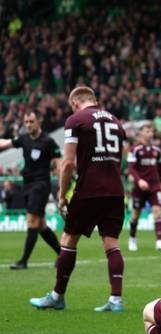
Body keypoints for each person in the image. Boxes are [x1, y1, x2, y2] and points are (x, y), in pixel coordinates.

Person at [29, 86, 127, 313]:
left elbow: (68, 162)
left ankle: (57, 296)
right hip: (115, 189)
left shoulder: (76, 120)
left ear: (74, 103)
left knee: (68, 240)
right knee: (111, 243)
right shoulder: (116, 121)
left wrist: (62, 195)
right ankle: (116, 299)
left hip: (89, 188)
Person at [0, 111, 62, 269]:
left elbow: (59, 164)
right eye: (26, 122)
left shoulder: (48, 141)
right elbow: (6, 144)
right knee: (40, 225)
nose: (28, 125)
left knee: (32, 221)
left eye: (31, 122)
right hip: (27, 185)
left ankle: (23, 261)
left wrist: (62, 186)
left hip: (40, 185)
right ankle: (63, 255)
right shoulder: (24, 139)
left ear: (38, 122)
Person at [127, 122, 161, 251]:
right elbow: (131, 168)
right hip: (139, 188)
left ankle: (159, 242)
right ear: (140, 133)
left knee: (157, 212)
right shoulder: (135, 149)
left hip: (154, 186)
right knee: (135, 215)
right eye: (147, 131)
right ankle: (132, 239)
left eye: (151, 131)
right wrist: (139, 180)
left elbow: (160, 168)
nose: (150, 134)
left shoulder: (157, 150)